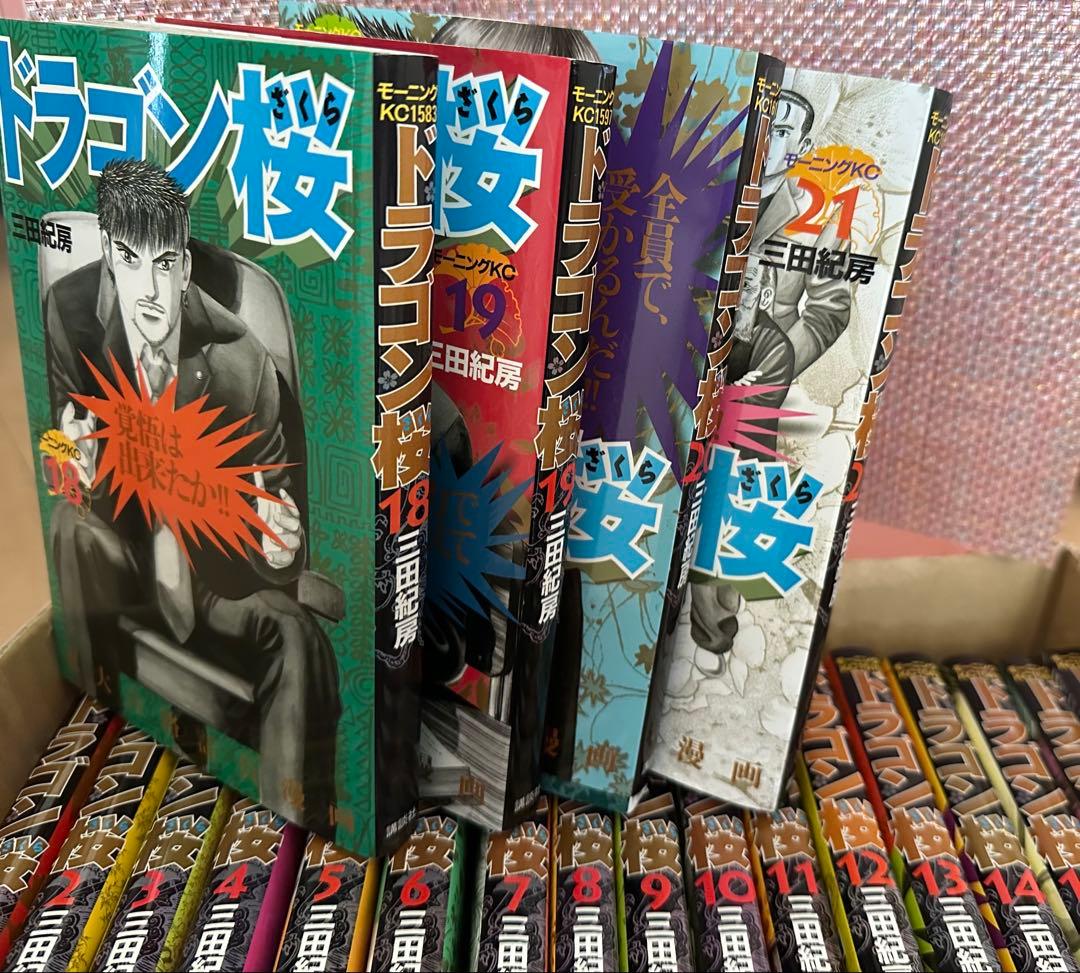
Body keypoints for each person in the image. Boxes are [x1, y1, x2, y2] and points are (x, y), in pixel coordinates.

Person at [45, 159, 338, 829]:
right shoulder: (70, 314)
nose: (149, 290)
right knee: (67, 526)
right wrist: (71, 457)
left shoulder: (244, 363)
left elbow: (280, 534)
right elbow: (55, 450)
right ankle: (88, 745)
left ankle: (288, 833)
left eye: (165, 264)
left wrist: (280, 544)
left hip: (213, 582)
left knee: (298, 638)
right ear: (109, 254)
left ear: (185, 267)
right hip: (121, 549)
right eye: (130, 260)